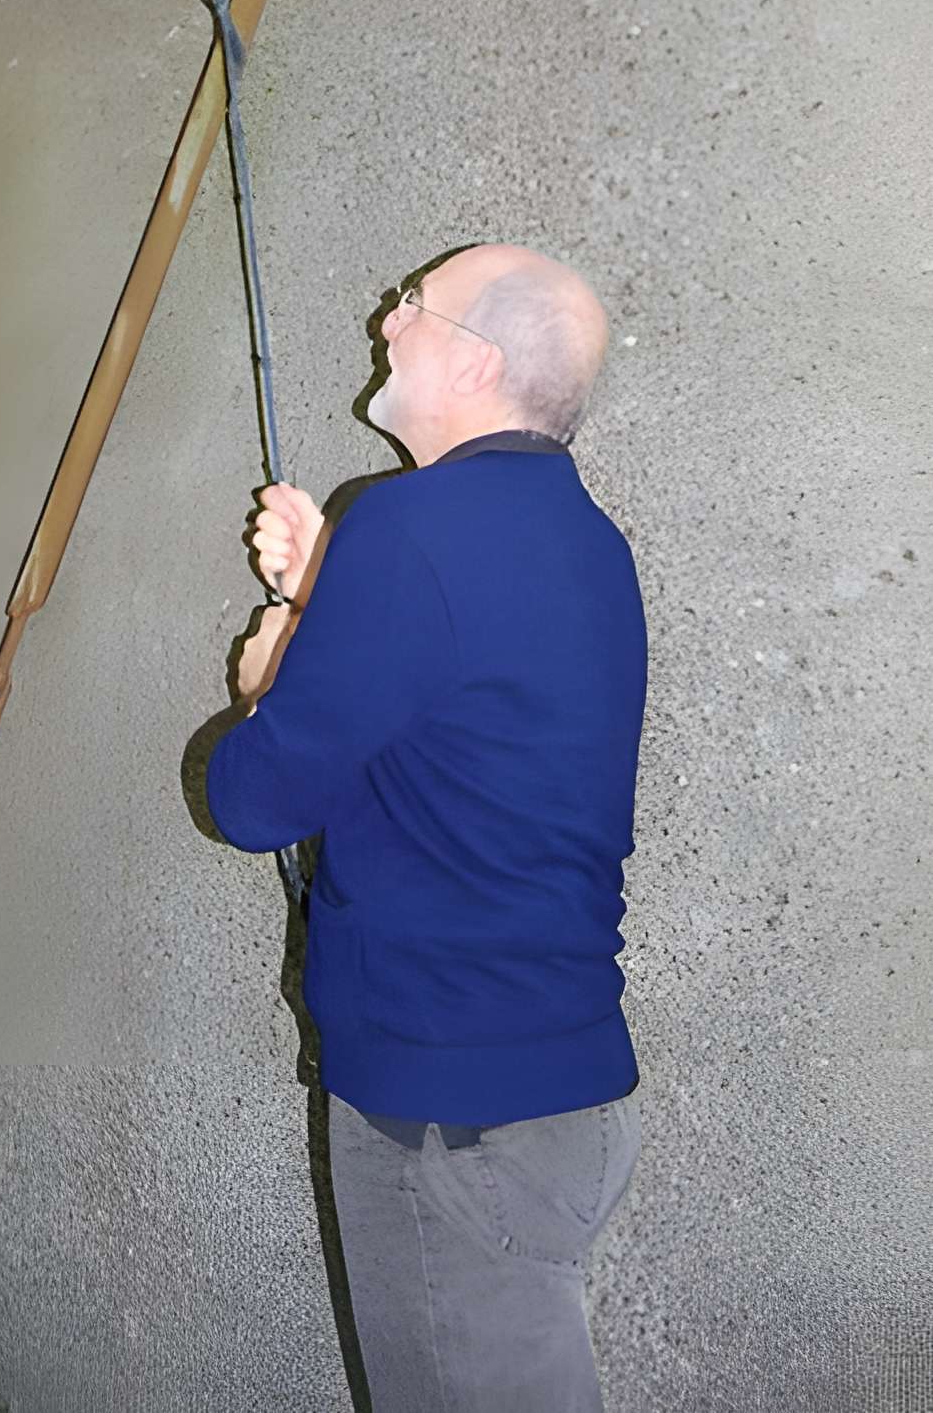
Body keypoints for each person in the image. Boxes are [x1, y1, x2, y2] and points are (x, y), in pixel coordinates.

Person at [203, 243, 647, 1413]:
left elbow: (252, 800)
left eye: (413, 304)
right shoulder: (586, 544)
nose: (385, 317)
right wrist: (323, 597)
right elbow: (439, 751)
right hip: (546, 1098)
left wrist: (270, 669)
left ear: (477, 359)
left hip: (450, 1123)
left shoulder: (408, 530)